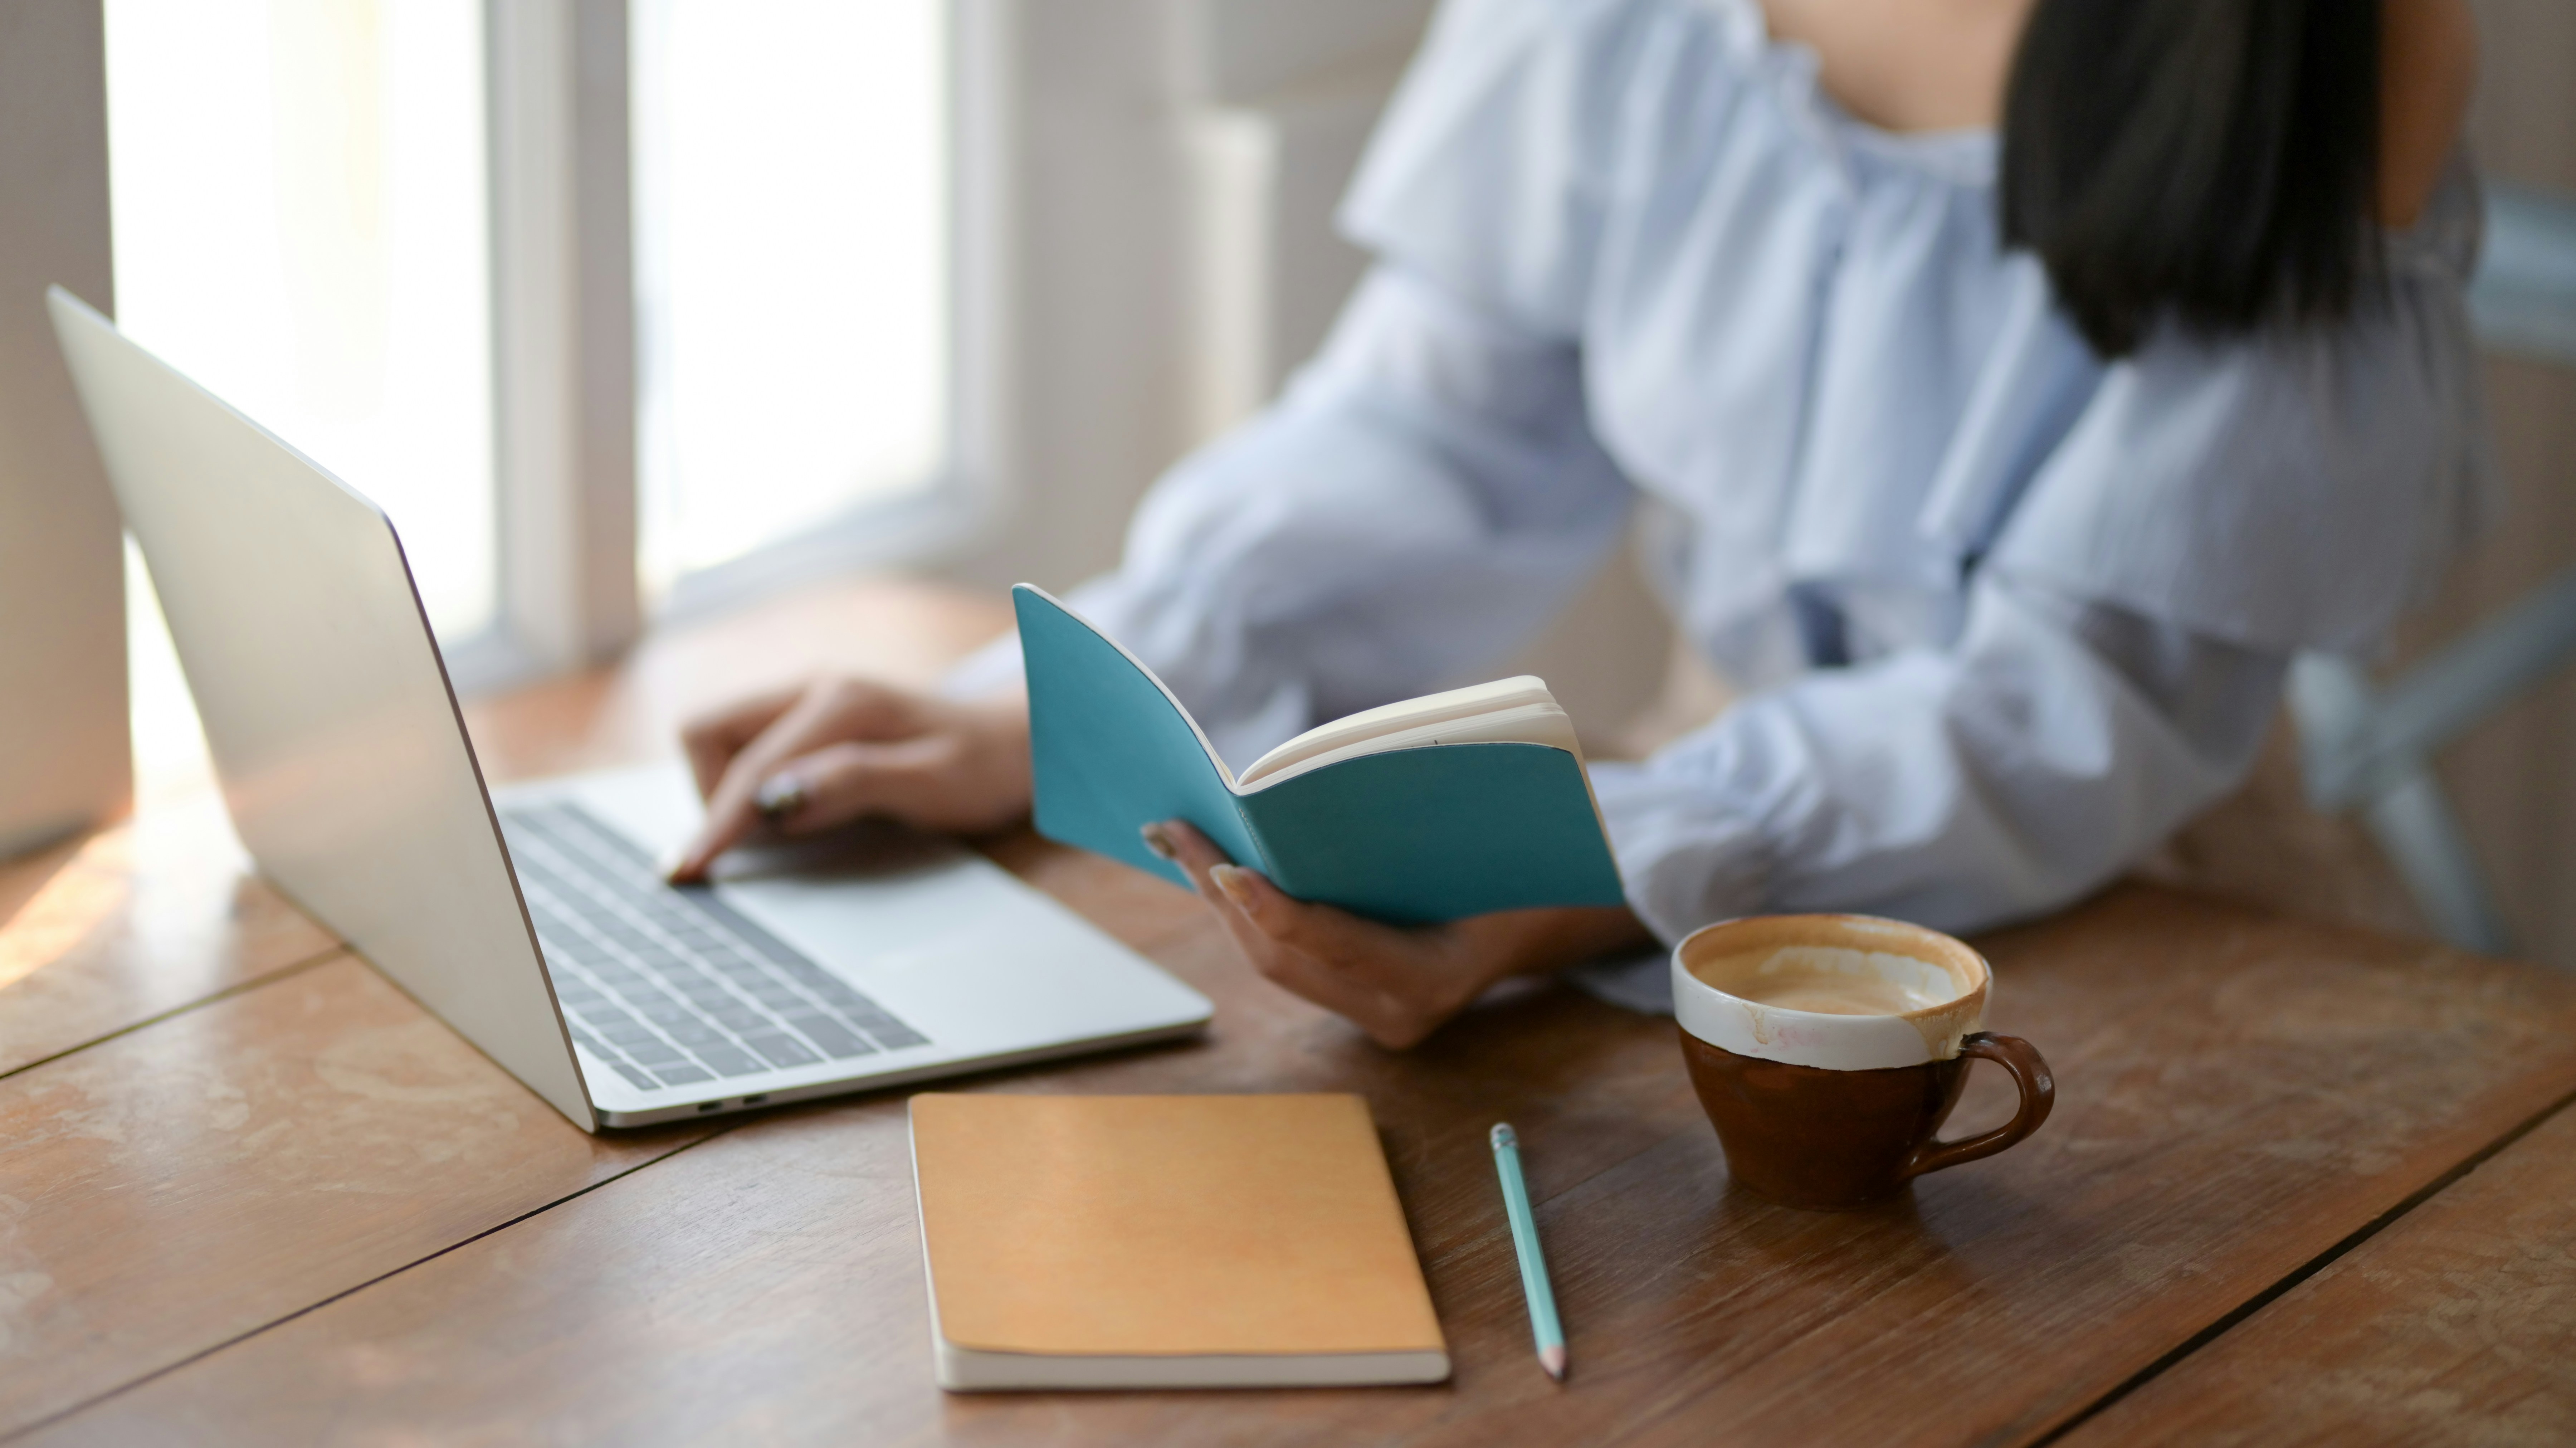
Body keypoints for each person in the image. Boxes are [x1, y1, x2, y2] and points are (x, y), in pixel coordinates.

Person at [668, 0, 2486, 1048]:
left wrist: (1582, 879)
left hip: (2165, 943)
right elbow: (1436, 431)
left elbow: (2078, 713)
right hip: (1697, 853)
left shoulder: (2342, 35)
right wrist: (1042, 710)